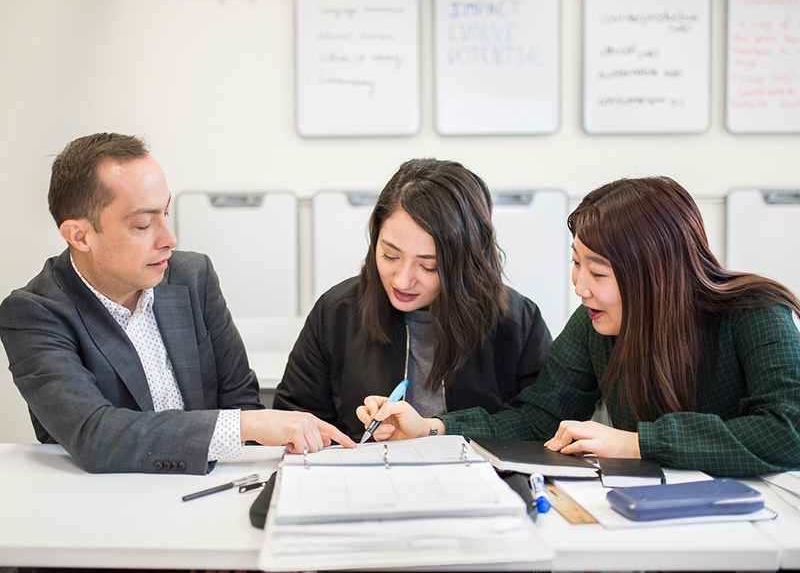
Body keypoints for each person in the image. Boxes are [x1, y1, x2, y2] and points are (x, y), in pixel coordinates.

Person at [357, 176, 800, 477]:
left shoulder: (756, 312)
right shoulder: (595, 324)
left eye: (598, 273)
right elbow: (538, 418)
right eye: (575, 263)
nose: (580, 287)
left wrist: (637, 443)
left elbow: (788, 431)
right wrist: (432, 428)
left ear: (654, 276)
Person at [0, 132, 354, 475]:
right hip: (106, 504)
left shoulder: (192, 275)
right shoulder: (34, 314)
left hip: (214, 486)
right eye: (142, 225)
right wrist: (246, 425)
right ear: (80, 236)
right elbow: (95, 434)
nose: (169, 239)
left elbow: (238, 395)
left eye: (165, 213)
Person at [273, 158, 552, 440]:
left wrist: (435, 430)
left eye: (429, 266)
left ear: (467, 264)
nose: (402, 280)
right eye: (390, 256)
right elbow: (293, 421)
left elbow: (542, 423)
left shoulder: (517, 322)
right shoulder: (337, 313)